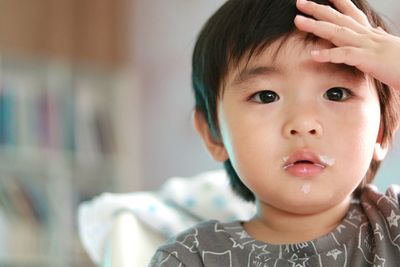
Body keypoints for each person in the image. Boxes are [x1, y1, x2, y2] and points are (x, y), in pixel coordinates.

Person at [149, 0, 400, 265]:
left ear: (381, 131)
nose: (303, 123)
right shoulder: (192, 258)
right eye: (266, 96)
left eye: (336, 94)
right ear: (214, 134)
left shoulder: (392, 225)